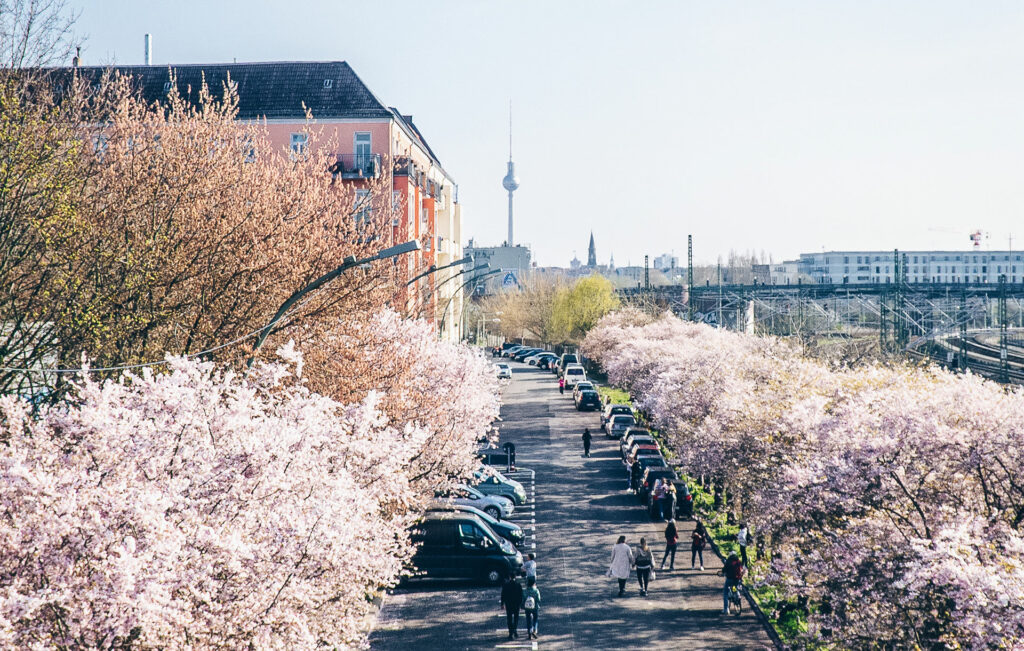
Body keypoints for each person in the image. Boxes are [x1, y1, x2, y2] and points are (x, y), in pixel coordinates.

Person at [500, 574, 524, 639]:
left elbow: (503, 595)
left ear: (509, 577)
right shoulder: (518, 585)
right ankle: (515, 630)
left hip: (509, 604)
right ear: (515, 577)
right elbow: (521, 595)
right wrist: (521, 604)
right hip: (516, 604)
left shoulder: (506, 585)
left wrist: (502, 604)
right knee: (516, 618)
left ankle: (511, 633)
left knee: (509, 619)